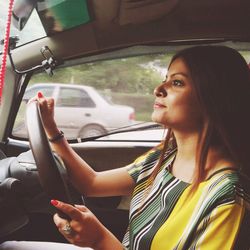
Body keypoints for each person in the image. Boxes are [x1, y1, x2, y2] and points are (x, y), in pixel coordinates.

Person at [1, 45, 250, 250]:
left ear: (213, 97)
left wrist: (99, 239)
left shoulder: (227, 199)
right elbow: (93, 183)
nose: (158, 89)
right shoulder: (164, 157)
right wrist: (53, 132)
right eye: (165, 80)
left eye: (177, 83)